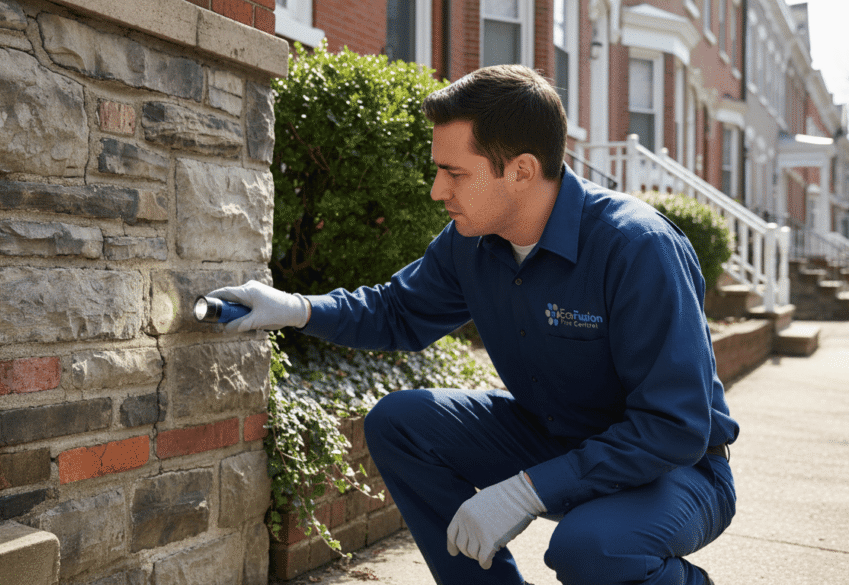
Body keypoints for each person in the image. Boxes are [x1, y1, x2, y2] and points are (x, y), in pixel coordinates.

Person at [208, 64, 738, 585]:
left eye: (455, 173)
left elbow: (675, 427)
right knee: (401, 423)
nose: (439, 190)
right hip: (557, 439)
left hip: (675, 470)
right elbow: (397, 311)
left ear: (522, 170)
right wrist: (294, 308)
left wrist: (526, 491)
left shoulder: (637, 247)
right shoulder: (473, 241)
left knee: (593, 548)